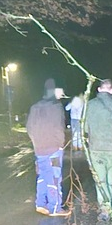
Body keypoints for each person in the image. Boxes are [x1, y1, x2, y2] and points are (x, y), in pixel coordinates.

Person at [83, 78, 112, 220]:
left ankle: (105, 210)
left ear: (98, 90)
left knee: (100, 181)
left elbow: (84, 128)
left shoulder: (89, 106)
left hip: (95, 148)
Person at [25, 78, 68, 217]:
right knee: (54, 177)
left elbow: (29, 128)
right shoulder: (56, 107)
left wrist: (35, 143)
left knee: (43, 175)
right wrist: (60, 145)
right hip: (53, 148)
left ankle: (40, 203)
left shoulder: (34, 107)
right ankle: (55, 207)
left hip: (39, 149)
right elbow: (58, 128)